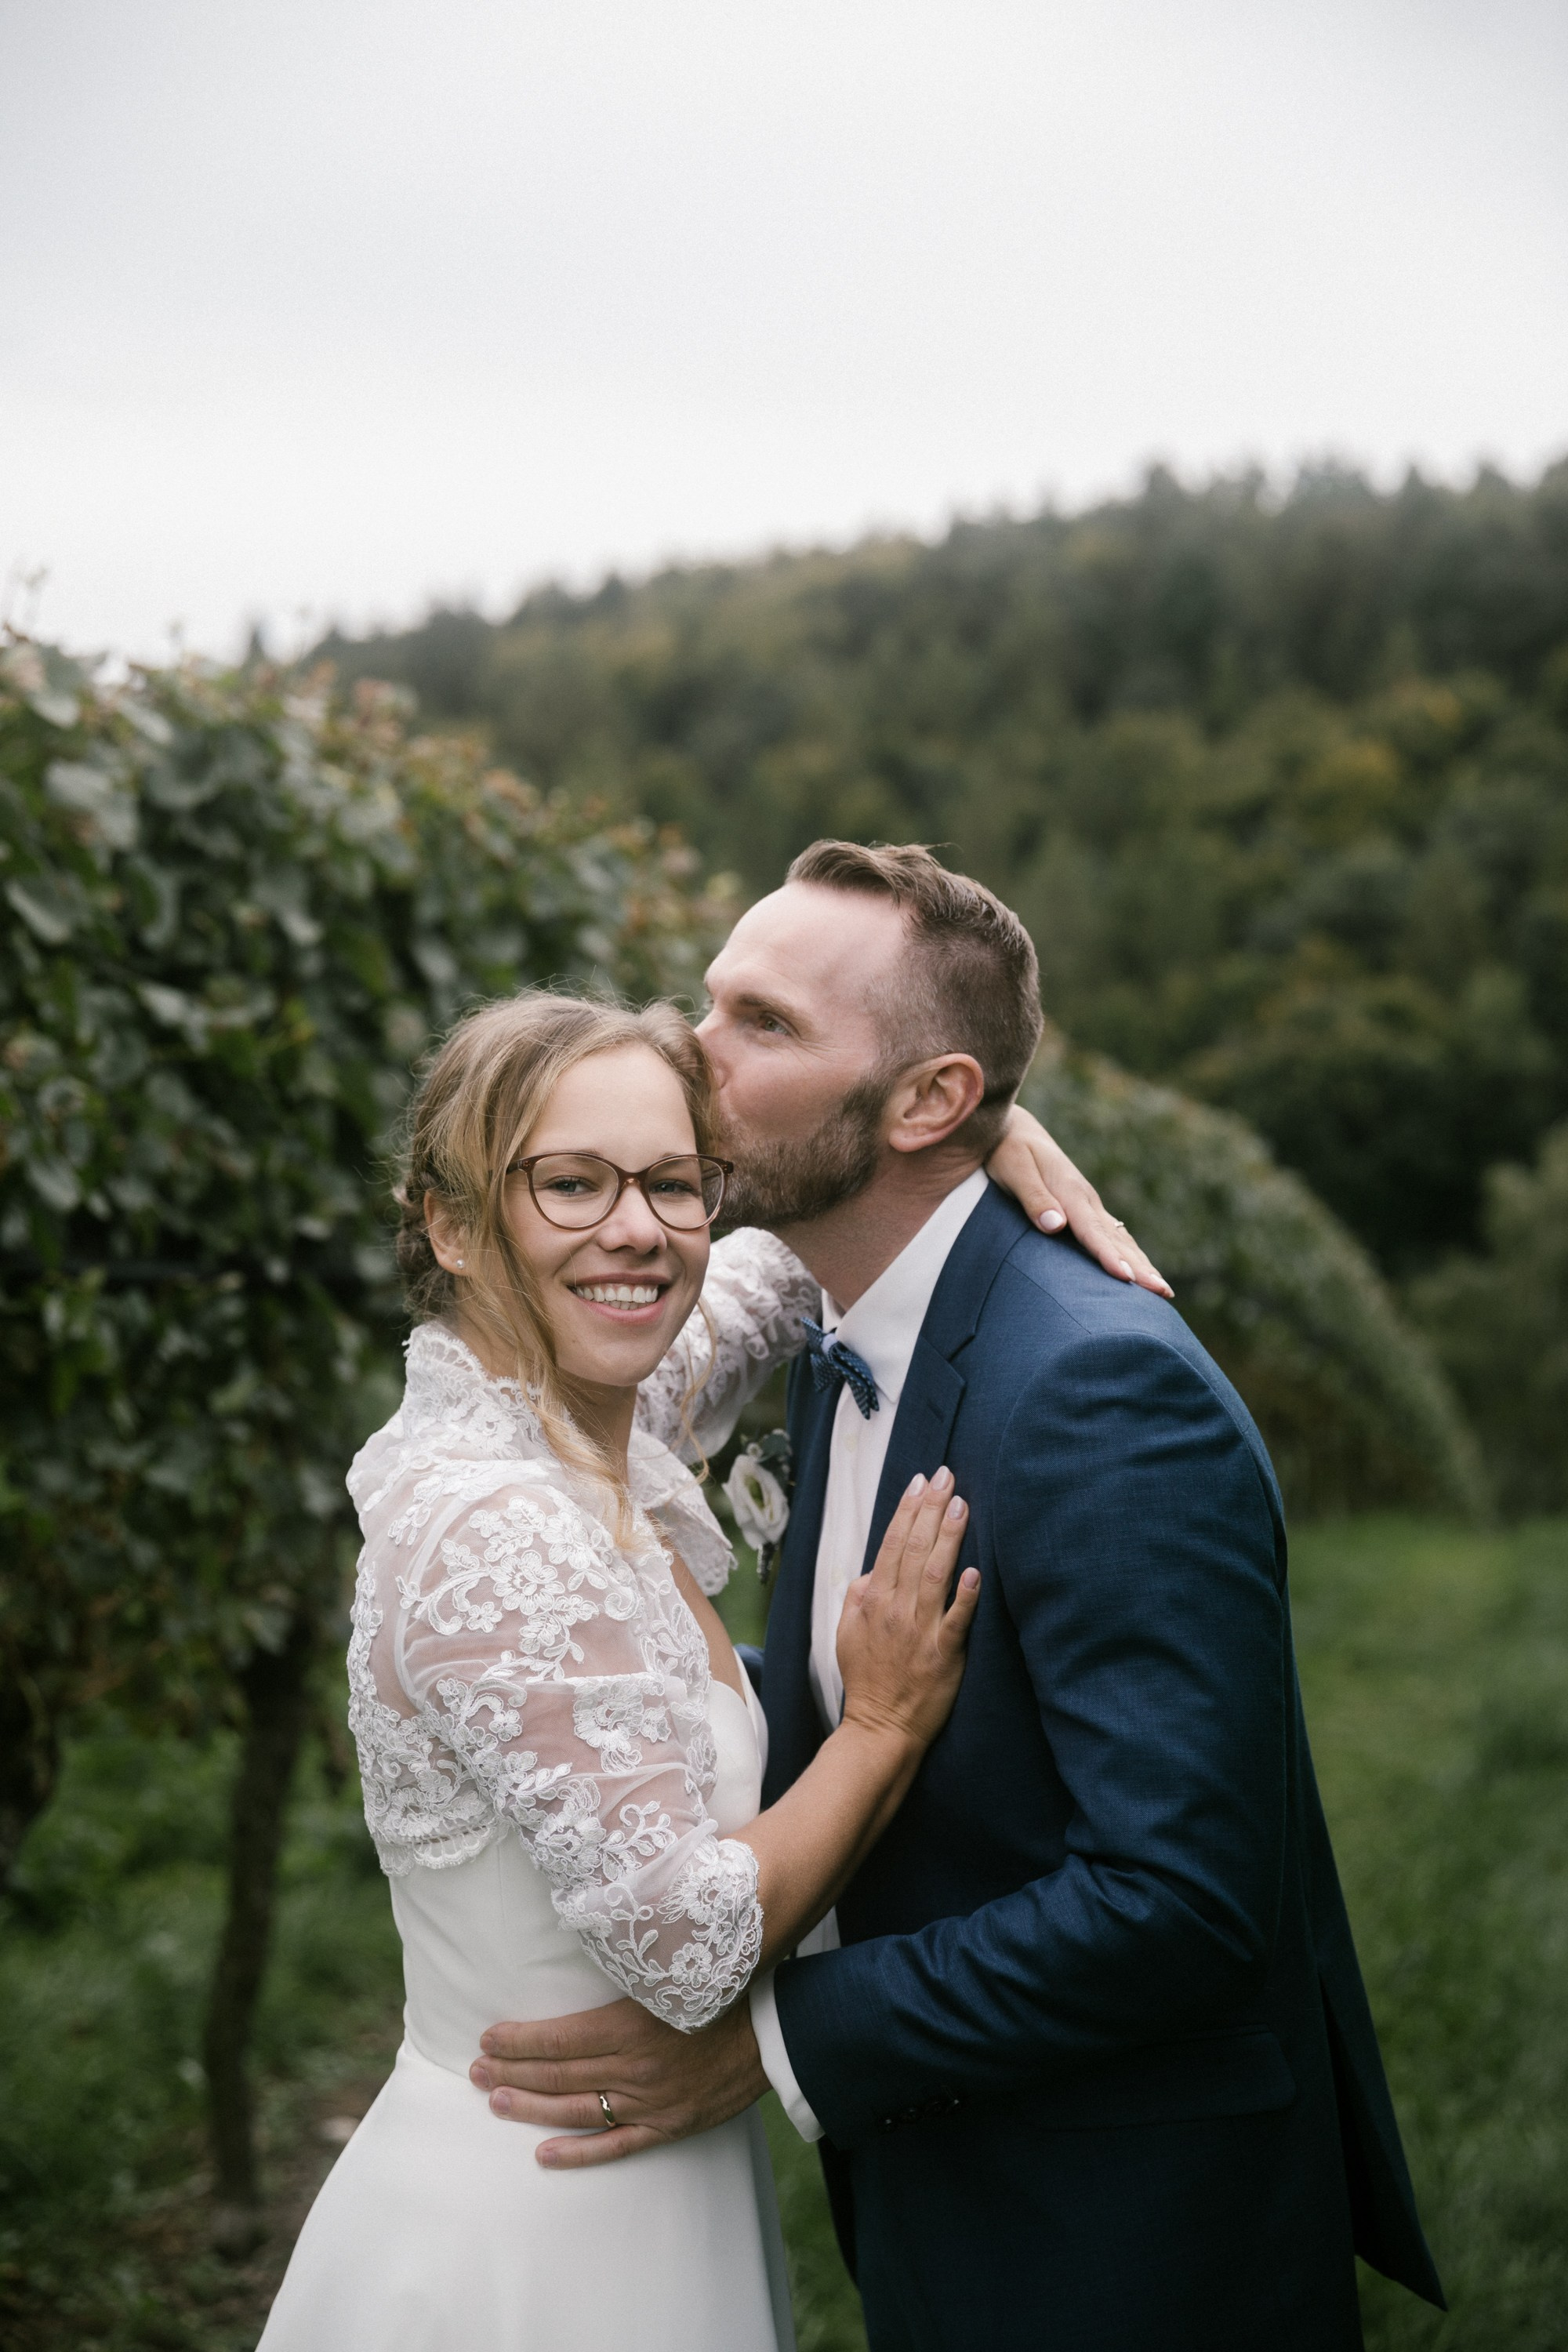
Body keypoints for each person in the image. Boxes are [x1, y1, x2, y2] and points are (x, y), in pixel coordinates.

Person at [473, 844, 1446, 2352]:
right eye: (710, 1000)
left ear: (928, 1100)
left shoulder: (1102, 1392)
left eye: (765, 1024)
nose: (690, 1051)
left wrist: (775, 2042)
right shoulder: (835, 1308)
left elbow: (1180, 1902)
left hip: (1119, 2238)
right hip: (951, 2182)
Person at [256, 985, 1130, 2352]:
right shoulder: (500, 1525)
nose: (635, 1230)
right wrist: (884, 1728)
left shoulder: (588, 1407)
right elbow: (690, 1948)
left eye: (671, 1183)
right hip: (540, 2230)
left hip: (631, 2184)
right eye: (570, 1182)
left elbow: (772, 1275)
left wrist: (979, 1143)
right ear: (453, 1222)